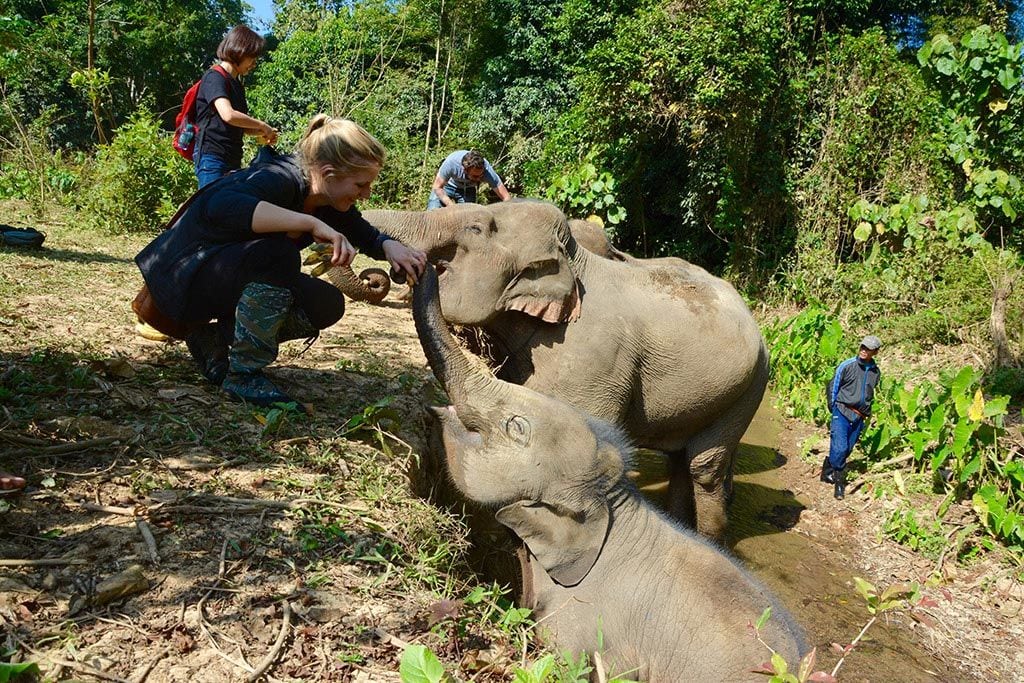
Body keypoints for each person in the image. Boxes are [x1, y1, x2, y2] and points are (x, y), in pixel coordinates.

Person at [135, 115, 426, 406]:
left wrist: (389, 247)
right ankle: (244, 375)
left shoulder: (325, 199)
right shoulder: (278, 177)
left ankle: (212, 338)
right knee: (279, 254)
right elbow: (220, 206)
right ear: (328, 174)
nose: (366, 194)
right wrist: (308, 224)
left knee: (325, 303)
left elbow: (363, 231)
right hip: (183, 281)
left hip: (220, 280)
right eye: (361, 185)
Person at [193, 24, 279, 188]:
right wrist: (262, 125)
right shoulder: (214, 77)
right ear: (240, 51)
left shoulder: (237, 85)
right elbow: (229, 115)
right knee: (212, 208)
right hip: (212, 158)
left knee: (227, 209)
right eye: (252, 58)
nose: (253, 64)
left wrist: (263, 132)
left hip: (232, 159)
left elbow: (240, 125)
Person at [821, 335, 882, 500]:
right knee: (840, 448)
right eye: (862, 347)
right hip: (841, 410)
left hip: (859, 416)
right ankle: (839, 484)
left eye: (868, 349)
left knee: (847, 449)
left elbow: (870, 393)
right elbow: (833, 385)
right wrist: (832, 406)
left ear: (875, 352)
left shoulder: (875, 372)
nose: (863, 350)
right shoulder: (847, 366)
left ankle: (827, 469)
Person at [427, 149, 511, 208]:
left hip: (468, 189)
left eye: (481, 175)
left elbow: (506, 197)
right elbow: (437, 187)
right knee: (433, 211)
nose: (479, 179)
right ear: (464, 170)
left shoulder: (487, 171)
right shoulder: (451, 163)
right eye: (475, 176)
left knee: (469, 220)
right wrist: (452, 206)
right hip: (447, 187)